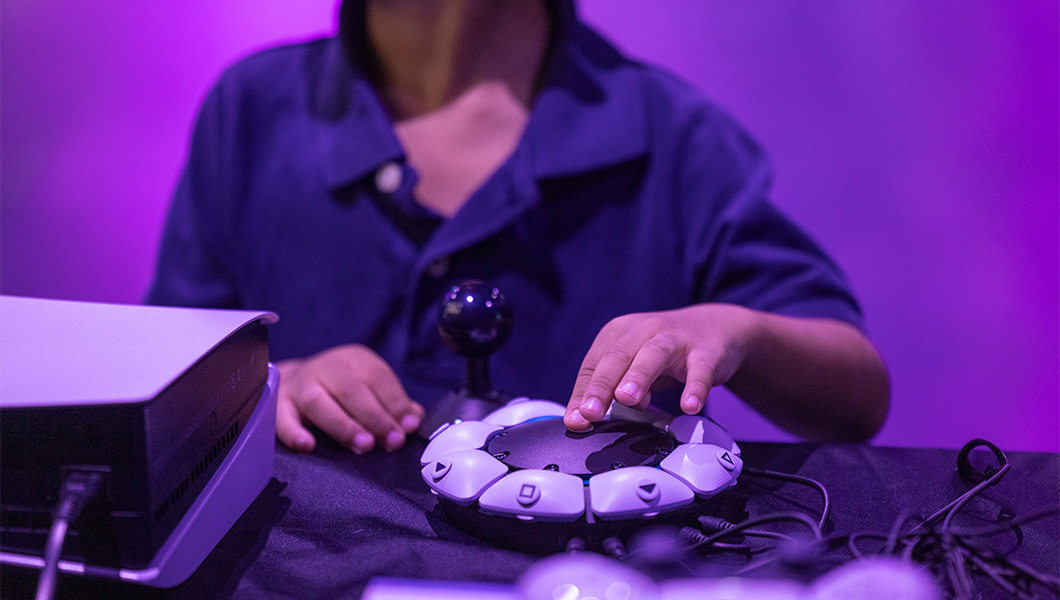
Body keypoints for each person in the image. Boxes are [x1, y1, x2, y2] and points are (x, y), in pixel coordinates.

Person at [148, 0, 889, 456]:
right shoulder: (252, 109)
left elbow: (856, 396)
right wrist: (276, 383)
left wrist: (733, 330)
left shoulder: (672, 134)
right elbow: (158, 386)